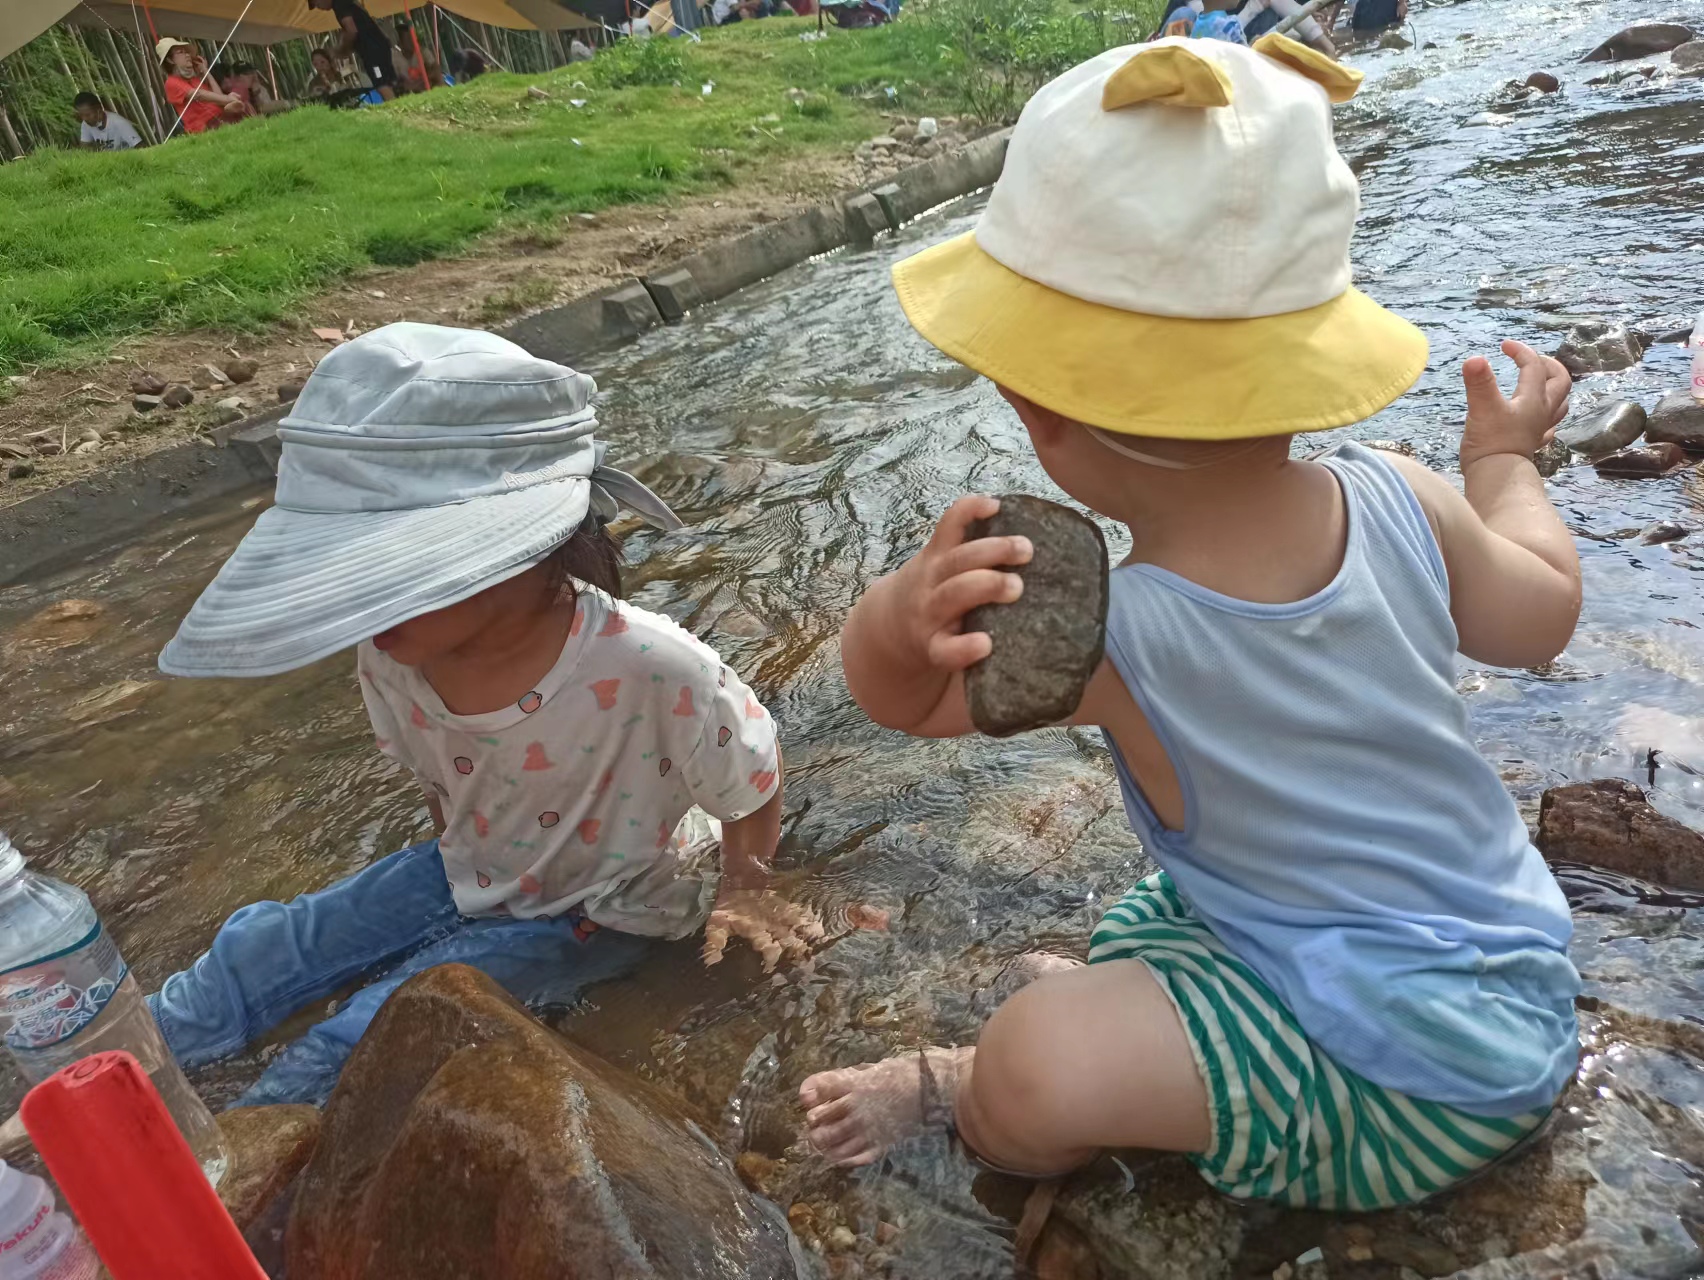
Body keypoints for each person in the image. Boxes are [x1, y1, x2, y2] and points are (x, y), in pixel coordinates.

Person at [799, 36, 1582, 1213]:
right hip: (1515, 992)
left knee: (1033, 1056)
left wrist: (899, 613)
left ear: (1034, 408)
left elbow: (898, 701)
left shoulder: (1109, 630)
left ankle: (959, 1084)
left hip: (1399, 1091)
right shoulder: (1407, 494)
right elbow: (1545, 611)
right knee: (1156, 907)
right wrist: (1503, 458)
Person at [148, 323, 823, 1106]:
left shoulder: (650, 665)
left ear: (532, 549)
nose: (364, 608)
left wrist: (747, 886)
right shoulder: (394, 654)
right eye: (345, 577)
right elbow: (437, 782)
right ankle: (104, 1070)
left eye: (394, 572)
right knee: (268, 950)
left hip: (603, 901)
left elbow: (754, 771)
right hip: (474, 859)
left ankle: (240, 1160)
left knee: (369, 1033)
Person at [307, 0, 399, 101]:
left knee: (381, 84)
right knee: (388, 81)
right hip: (379, 45)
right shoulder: (348, 3)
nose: (318, 7)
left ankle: (395, 109)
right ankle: (397, 104)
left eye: (317, 3)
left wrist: (342, 50)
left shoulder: (339, 4)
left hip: (371, 50)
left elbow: (351, 29)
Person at [157, 38, 251, 134]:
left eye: (187, 52)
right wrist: (228, 99)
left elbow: (219, 97)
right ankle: (230, 111)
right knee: (236, 113)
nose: (187, 55)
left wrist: (205, 71)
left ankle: (230, 111)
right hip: (204, 126)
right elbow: (197, 94)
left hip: (220, 118)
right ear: (170, 60)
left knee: (241, 111)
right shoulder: (171, 82)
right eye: (181, 52)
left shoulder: (195, 80)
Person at [73, 92, 143, 150]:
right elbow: (85, 149)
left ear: (99, 109)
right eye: (81, 115)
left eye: (88, 115)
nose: (84, 118)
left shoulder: (119, 123)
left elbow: (140, 147)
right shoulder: (86, 124)